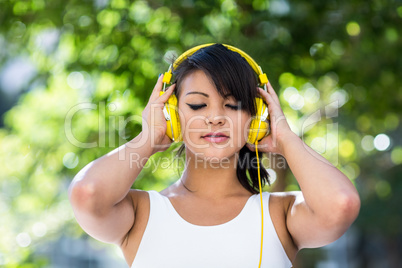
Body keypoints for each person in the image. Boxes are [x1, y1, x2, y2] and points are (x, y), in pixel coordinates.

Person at [69, 44, 360, 267]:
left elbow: (341, 203)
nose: (215, 118)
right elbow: (87, 193)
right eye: (197, 105)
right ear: (172, 114)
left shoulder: (280, 214)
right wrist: (148, 138)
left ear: (256, 118)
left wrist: (285, 138)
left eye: (232, 105)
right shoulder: (141, 212)